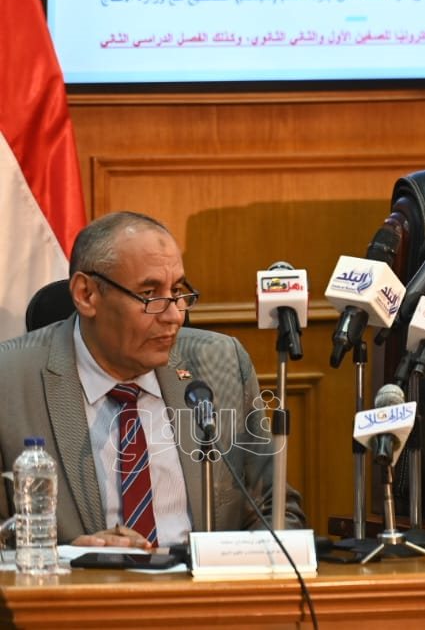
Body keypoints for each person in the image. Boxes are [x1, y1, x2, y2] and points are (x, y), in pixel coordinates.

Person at [0, 212, 305, 548]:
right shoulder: (9, 379)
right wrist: (65, 557)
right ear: (86, 295)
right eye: (149, 294)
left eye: (177, 291)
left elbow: (275, 509)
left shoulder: (222, 362)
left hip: (201, 580)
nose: (175, 315)